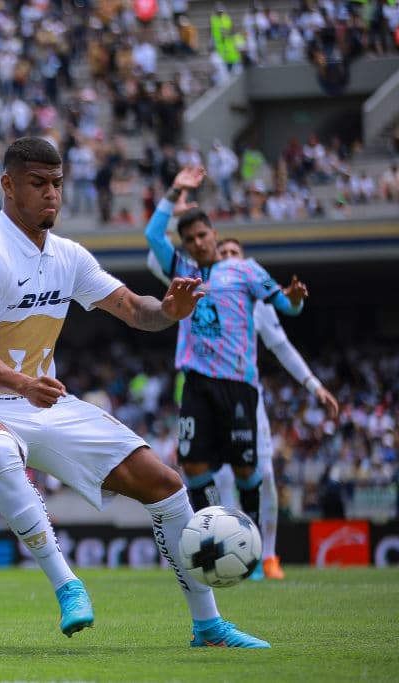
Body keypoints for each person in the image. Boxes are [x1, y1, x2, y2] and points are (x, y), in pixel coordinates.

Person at [0, 136, 268, 648]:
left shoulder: (68, 255)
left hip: (44, 402)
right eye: (38, 184)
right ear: (7, 185)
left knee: (165, 484)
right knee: (1, 452)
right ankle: (67, 585)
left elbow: (137, 310)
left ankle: (209, 626)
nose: (51, 195)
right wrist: (25, 384)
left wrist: (170, 312)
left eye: (57, 184)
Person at [147, 238, 339, 580]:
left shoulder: (256, 299)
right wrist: (174, 221)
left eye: (235, 253)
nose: (229, 258)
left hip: (244, 398)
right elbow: (154, 260)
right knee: (218, 478)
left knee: (261, 475)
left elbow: (282, 347)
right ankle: (227, 547)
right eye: (224, 254)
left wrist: (313, 385)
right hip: (205, 397)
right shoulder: (198, 288)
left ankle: (267, 556)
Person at [143, 166, 307, 541]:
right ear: (184, 244)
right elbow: (153, 234)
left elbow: (287, 306)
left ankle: (250, 542)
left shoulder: (246, 271)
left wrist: (295, 300)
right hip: (197, 382)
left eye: (203, 235)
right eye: (191, 238)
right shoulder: (182, 268)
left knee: (247, 470)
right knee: (194, 464)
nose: (198, 242)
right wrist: (172, 194)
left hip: (238, 383)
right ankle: (217, 529)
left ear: (214, 235)